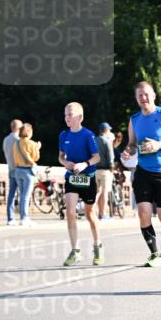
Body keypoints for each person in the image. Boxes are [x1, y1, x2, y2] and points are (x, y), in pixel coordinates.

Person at [121, 80, 161, 265]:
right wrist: (128, 150)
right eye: (139, 95)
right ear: (136, 98)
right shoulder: (134, 119)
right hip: (143, 171)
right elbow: (132, 144)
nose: (143, 98)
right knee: (143, 213)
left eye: (146, 94)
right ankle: (155, 254)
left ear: (154, 95)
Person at [58, 103, 103, 263]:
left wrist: (84, 164)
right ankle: (75, 250)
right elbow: (60, 157)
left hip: (88, 178)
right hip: (71, 177)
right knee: (70, 211)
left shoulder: (88, 135)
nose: (67, 118)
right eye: (65, 115)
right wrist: (66, 164)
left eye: (70, 114)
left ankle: (98, 246)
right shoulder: (63, 135)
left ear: (80, 117)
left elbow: (96, 157)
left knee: (89, 213)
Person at [12, 123, 41, 226]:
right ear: (29, 132)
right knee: (26, 196)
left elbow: (14, 159)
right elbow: (36, 158)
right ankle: (25, 218)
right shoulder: (31, 143)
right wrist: (37, 148)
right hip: (28, 171)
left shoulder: (16, 144)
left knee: (22, 195)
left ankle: (22, 217)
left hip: (18, 171)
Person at [2, 118, 22, 226]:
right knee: (24, 194)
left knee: (11, 194)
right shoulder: (18, 140)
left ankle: (10, 218)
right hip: (19, 169)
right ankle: (24, 217)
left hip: (10, 168)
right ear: (18, 128)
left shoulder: (6, 139)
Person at [95, 122, 115, 220]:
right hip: (105, 170)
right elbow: (110, 157)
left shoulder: (94, 140)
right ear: (106, 130)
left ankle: (97, 213)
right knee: (104, 193)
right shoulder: (107, 141)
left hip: (95, 170)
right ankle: (102, 214)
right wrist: (112, 168)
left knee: (97, 192)